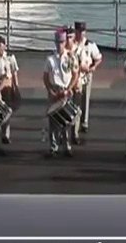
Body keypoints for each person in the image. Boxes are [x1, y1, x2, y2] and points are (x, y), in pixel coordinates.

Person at [43, 29, 80, 158]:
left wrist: (69, 88)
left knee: (66, 120)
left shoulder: (71, 57)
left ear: (65, 42)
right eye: (58, 42)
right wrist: (50, 91)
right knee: (53, 121)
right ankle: (53, 147)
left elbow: (75, 74)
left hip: (65, 89)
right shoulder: (50, 59)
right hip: (55, 89)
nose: (60, 44)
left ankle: (67, 146)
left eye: (62, 42)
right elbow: (45, 77)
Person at [73, 21, 103, 139]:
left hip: (87, 74)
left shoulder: (90, 45)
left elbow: (98, 58)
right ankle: (75, 121)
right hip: (76, 75)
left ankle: (84, 121)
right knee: (76, 99)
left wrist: (94, 67)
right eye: (78, 31)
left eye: (82, 31)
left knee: (85, 98)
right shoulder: (73, 45)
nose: (80, 34)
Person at [0, 35, 21, 144]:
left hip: (8, 86)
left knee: (7, 110)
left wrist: (16, 87)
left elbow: (14, 73)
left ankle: (6, 134)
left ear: (5, 46)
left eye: (0, 45)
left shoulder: (10, 57)